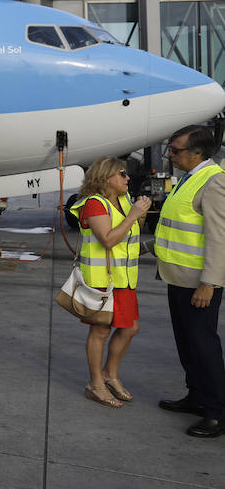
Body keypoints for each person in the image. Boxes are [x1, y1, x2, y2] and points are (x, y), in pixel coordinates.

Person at [154, 125, 225, 438]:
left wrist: (209, 283)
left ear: (197, 152)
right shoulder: (188, 178)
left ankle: (217, 414)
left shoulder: (214, 182)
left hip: (199, 284)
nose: (170, 154)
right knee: (187, 344)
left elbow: (219, 239)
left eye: (176, 150)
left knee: (204, 345)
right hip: (178, 277)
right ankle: (196, 396)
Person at [69, 157, 151, 409]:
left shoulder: (124, 201)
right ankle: (96, 384)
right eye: (122, 174)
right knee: (101, 331)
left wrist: (141, 221)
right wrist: (134, 215)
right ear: (106, 178)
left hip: (123, 279)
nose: (128, 178)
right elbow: (107, 239)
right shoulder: (94, 204)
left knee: (130, 328)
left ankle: (109, 374)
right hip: (102, 280)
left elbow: (129, 239)